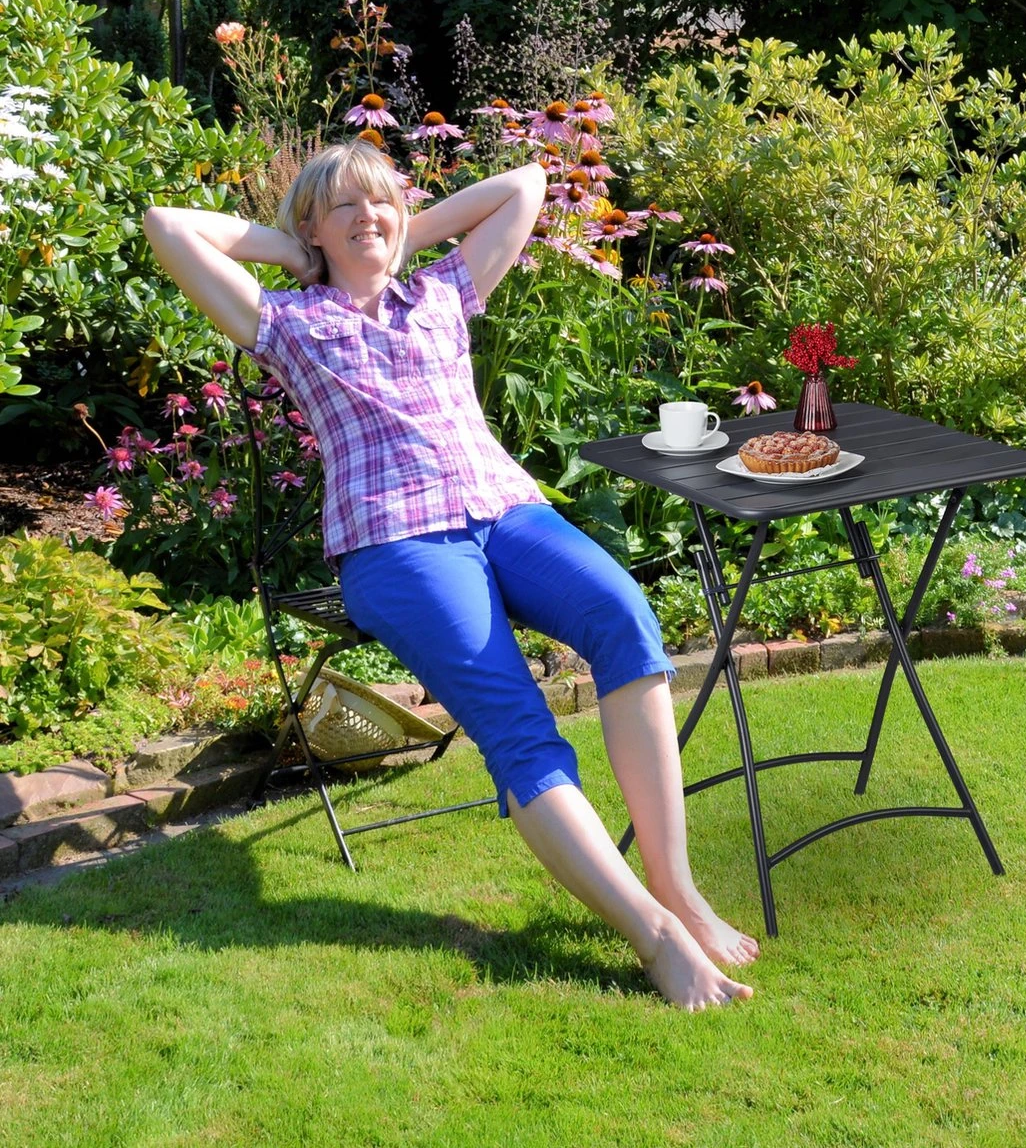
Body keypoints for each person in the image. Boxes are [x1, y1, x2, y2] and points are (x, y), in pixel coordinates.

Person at [143, 139, 757, 1010]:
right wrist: (295, 252)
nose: (368, 215)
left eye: (381, 199)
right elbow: (166, 224)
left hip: (505, 513)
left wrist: (395, 232)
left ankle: (677, 887)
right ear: (311, 227)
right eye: (343, 205)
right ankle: (653, 936)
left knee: (625, 616)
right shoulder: (288, 322)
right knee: (518, 723)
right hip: (399, 545)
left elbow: (526, 184)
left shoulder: (440, 293)